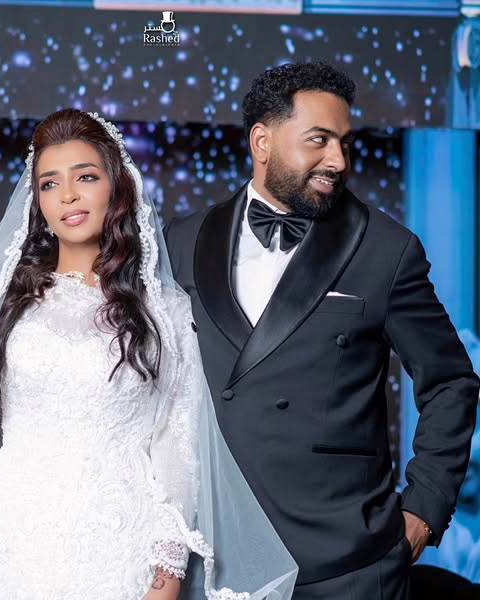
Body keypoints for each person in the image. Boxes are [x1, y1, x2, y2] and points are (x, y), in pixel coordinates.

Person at [0, 110, 297, 600]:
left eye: (85, 177)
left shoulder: (166, 313)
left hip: (120, 554)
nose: (68, 196)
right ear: (37, 200)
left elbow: (177, 453)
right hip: (11, 549)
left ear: (116, 186)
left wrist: (164, 583)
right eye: (50, 183)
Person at [165, 62, 480, 599]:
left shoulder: (386, 249)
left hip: (346, 563)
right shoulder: (183, 240)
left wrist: (424, 510)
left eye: (344, 142)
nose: (338, 160)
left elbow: (451, 381)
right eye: (319, 140)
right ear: (262, 142)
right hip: (214, 553)